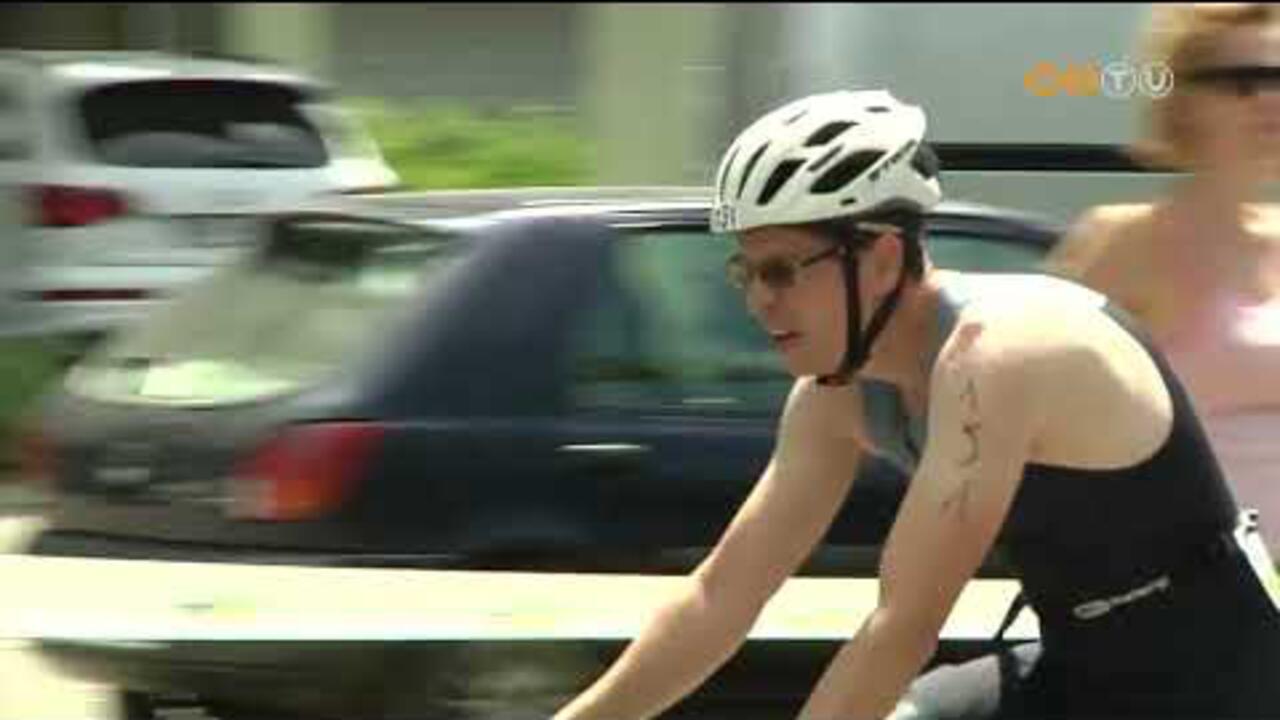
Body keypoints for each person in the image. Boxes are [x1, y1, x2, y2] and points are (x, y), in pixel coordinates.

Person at [550, 89, 1280, 720]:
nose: (758, 301)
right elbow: (720, 599)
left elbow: (901, 627)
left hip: (1226, 679)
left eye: (781, 271)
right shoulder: (835, 398)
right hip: (1077, 661)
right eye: (746, 272)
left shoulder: (1000, 355)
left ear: (882, 258)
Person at [1046, 3, 1280, 554]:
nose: (1269, 100)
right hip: (1187, 582)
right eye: (1243, 81)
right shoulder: (1123, 244)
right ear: (1183, 101)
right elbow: (1034, 418)